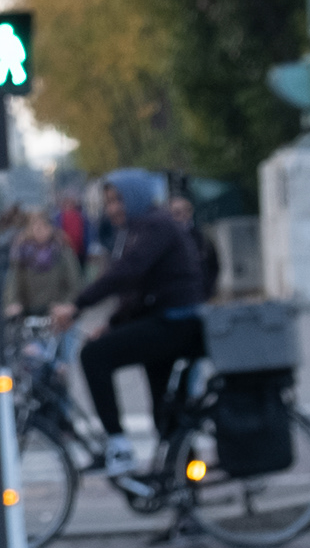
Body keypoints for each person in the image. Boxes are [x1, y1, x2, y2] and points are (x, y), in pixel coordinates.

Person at [52, 168, 210, 468]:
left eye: (118, 200)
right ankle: (181, 481)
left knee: (94, 356)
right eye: (108, 202)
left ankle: (119, 446)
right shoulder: (139, 229)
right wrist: (111, 324)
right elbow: (136, 293)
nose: (113, 209)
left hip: (176, 324)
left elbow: (127, 272)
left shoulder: (155, 225)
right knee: (166, 412)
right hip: (168, 323)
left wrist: (76, 306)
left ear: (136, 197)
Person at [2, 207, 83, 322]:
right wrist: (13, 304)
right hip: (28, 315)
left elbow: (75, 283)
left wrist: (66, 304)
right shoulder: (20, 254)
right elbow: (13, 283)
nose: (39, 229)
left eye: (44, 225)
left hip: (57, 315)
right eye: (34, 225)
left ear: (51, 228)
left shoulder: (62, 251)